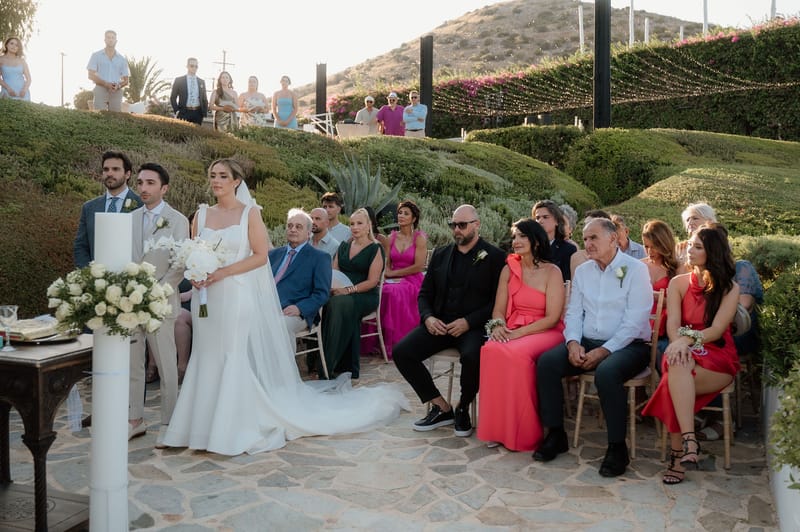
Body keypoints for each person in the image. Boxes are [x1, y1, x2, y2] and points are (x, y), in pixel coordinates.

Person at [161, 159, 409, 455]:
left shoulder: (249, 214)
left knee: (230, 354)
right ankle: (196, 427)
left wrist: (223, 273)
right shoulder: (201, 215)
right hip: (207, 298)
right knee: (205, 354)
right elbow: (194, 252)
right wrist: (196, 274)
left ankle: (229, 427)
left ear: (237, 181)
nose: (216, 181)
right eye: (213, 175)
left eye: (223, 176)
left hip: (235, 295)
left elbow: (259, 256)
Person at [534, 218, 652, 477]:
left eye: (594, 238)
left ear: (613, 238)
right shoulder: (584, 271)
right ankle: (555, 434)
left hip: (630, 345)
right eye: (585, 239)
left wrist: (605, 350)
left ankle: (617, 448)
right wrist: (573, 342)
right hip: (587, 341)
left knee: (607, 373)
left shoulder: (635, 269)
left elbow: (636, 321)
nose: (587, 244)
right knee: (547, 363)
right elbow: (574, 312)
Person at [393, 205, 505, 437]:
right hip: (440, 324)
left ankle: (463, 406)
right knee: (402, 352)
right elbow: (425, 294)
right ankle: (441, 407)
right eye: (453, 225)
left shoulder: (495, 257)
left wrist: (468, 321)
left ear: (477, 224)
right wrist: (428, 317)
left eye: (462, 225)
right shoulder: (441, 254)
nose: (457, 230)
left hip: (473, 326)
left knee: (473, 356)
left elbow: (497, 301)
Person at [641, 224, 740, 484]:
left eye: (698, 247)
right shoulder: (678, 283)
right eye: (691, 244)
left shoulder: (730, 288)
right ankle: (689, 441)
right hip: (681, 351)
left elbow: (717, 330)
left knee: (670, 382)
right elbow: (672, 324)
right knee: (677, 368)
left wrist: (685, 340)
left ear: (713, 253)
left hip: (716, 356)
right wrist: (678, 343)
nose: (689, 251)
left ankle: (678, 454)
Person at [675, 202, 763, 440]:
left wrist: (692, 334)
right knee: (666, 349)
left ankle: (712, 417)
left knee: (697, 354)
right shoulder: (691, 267)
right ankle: (696, 412)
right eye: (688, 222)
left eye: (696, 219)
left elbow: (739, 312)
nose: (690, 225)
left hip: (733, 335)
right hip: (699, 334)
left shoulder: (740, 268)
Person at [477, 219, 566, 451]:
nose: (515, 241)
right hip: (514, 328)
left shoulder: (552, 271)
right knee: (490, 349)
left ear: (536, 240)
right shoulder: (509, 268)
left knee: (515, 354)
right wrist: (497, 326)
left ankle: (523, 433)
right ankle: (497, 429)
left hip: (546, 330)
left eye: (521, 237)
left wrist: (518, 334)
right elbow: (498, 307)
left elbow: (553, 317)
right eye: (514, 237)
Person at [129, 162, 190, 445]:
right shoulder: (128, 219)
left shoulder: (177, 220)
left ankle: (170, 422)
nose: (143, 188)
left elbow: (180, 264)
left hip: (161, 303)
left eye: (150, 183)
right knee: (133, 363)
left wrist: (157, 291)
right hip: (129, 304)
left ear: (164, 188)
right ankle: (135, 419)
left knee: (167, 365)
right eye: (140, 182)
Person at [321, 208, 384, 379]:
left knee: (339, 303)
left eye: (359, 223)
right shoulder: (343, 247)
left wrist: (347, 290)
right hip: (341, 291)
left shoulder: (375, 249)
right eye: (352, 224)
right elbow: (335, 272)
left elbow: (372, 281)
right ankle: (323, 361)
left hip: (365, 295)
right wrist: (334, 289)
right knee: (323, 301)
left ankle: (327, 365)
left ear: (368, 226)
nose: (355, 227)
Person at [268, 208, 332, 338]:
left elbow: (322, 293)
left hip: (295, 311)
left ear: (308, 233)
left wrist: (300, 308)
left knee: (280, 325)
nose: (293, 229)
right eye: (290, 226)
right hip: (267, 305)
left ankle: (283, 359)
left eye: (298, 227)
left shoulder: (320, 258)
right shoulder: (273, 255)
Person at [74, 150, 141, 268]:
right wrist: (88, 274)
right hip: (96, 280)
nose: (109, 173)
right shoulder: (89, 207)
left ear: (128, 174)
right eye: (106, 169)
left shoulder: (142, 205)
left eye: (115, 169)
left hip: (132, 280)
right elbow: (81, 246)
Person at [380, 200, 428, 358]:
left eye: (406, 213)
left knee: (395, 292)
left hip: (412, 279)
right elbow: (387, 264)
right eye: (400, 213)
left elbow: (419, 266)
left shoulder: (419, 238)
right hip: (392, 278)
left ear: (414, 218)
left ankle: (398, 342)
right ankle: (381, 339)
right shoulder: (391, 238)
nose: (401, 216)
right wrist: (388, 273)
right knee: (383, 289)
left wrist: (393, 274)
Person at [641, 219, 681, 337]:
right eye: (646, 246)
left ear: (664, 244)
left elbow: (683, 304)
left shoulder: (678, 268)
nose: (649, 251)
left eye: (654, 247)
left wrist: (657, 297)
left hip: (666, 324)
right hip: (640, 319)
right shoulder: (639, 266)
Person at [532, 199, 576, 281]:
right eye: (537, 218)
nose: (540, 221)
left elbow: (567, 280)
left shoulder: (568, 249)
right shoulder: (530, 247)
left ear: (556, 221)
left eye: (545, 217)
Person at [87, 30, 129, 112]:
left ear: (116, 41)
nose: (110, 39)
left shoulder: (122, 59)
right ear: (105, 40)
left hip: (116, 91)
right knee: (98, 116)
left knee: (116, 117)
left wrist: (118, 86)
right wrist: (106, 84)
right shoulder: (96, 55)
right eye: (108, 37)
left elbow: (126, 80)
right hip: (100, 89)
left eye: (113, 38)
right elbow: (90, 75)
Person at [569, 209, 612, 279]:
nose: (587, 229)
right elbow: (573, 288)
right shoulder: (577, 257)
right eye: (585, 225)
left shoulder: (617, 259)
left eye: (591, 224)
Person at [170, 57, 208, 126]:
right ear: (187, 66)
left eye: (196, 66)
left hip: (198, 114)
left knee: (196, 136)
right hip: (183, 113)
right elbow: (173, 97)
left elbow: (204, 99)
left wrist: (204, 113)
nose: (194, 68)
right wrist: (177, 111)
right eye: (192, 66)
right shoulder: (179, 80)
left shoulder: (201, 82)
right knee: (182, 135)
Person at [0, 36, 31, 101]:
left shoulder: (22, 61)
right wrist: (8, 88)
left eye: (16, 45)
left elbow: (29, 79)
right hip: (7, 92)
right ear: (6, 45)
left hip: (23, 94)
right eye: (12, 43)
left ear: (18, 48)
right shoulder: (1, 60)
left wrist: (24, 90)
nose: (14, 46)